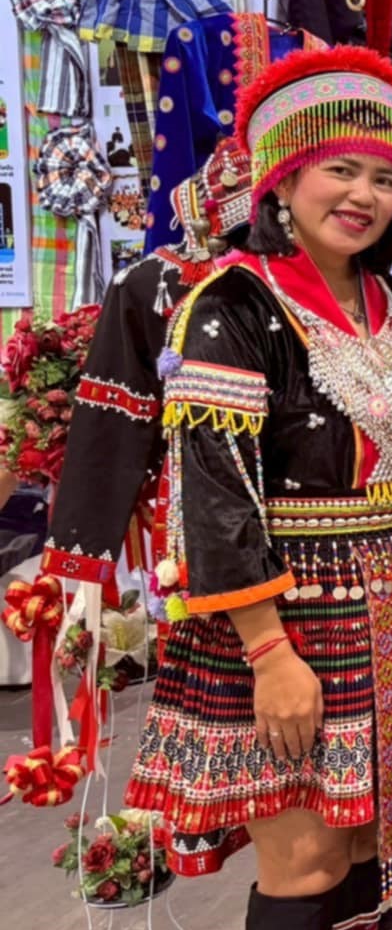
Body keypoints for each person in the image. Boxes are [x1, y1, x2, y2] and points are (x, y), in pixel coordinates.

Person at [125, 44, 392, 930]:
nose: (363, 195)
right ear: (281, 178)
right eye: (338, 170)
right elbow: (213, 494)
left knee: (366, 856)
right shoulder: (233, 306)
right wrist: (269, 653)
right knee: (303, 859)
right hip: (295, 622)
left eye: (383, 177)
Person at [35, 139, 255, 626]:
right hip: (193, 507)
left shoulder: (331, 278)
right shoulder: (149, 283)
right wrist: (83, 550)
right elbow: (113, 417)